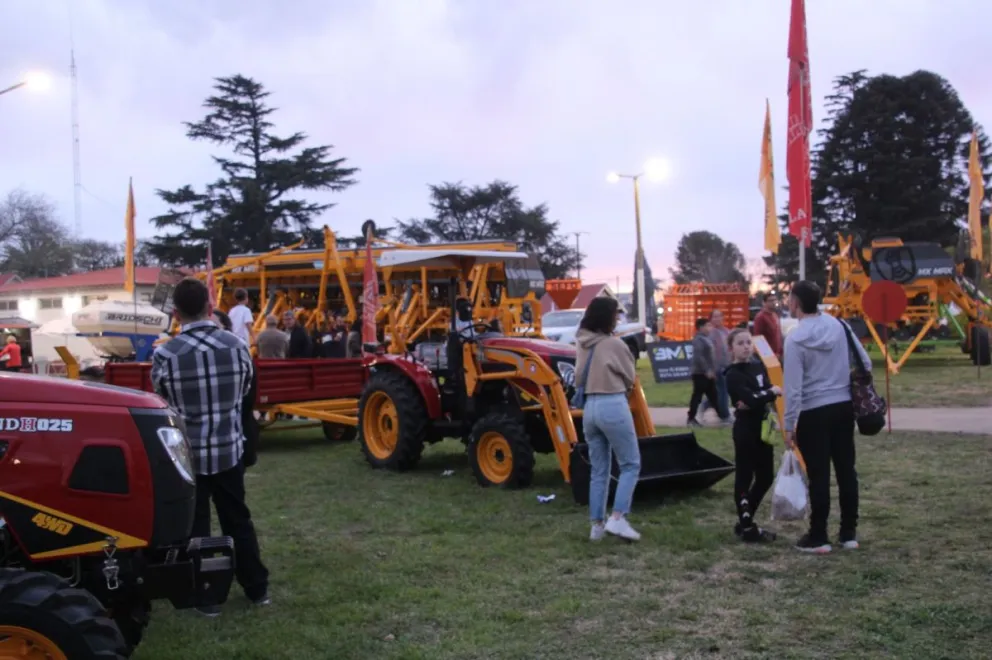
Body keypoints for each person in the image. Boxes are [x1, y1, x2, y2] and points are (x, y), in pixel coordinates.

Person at [150, 278, 269, 613]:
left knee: (195, 527)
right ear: (208, 306)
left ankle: (203, 597)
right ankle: (256, 588)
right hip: (229, 448)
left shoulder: (165, 355)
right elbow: (246, 391)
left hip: (188, 456)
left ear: (176, 313)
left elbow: (164, 403)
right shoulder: (236, 346)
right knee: (238, 520)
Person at [783, 280, 872, 554]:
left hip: (812, 411)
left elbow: (793, 388)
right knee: (847, 471)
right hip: (843, 407)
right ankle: (848, 533)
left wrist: (789, 425)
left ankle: (818, 535)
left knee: (819, 474)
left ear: (796, 303)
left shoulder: (795, 339)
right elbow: (865, 362)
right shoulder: (839, 326)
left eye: (789, 298)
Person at [574, 296, 642, 542]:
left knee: (599, 470)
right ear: (607, 318)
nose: (618, 319)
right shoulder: (614, 345)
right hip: (612, 402)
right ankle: (618, 517)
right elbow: (629, 377)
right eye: (615, 315)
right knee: (630, 464)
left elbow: (578, 378)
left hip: (589, 408)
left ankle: (597, 526)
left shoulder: (582, 342)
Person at [725, 328, 781, 543]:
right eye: (740, 343)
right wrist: (766, 394)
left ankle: (745, 521)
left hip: (763, 427)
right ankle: (748, 527)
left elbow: (765, 393)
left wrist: (763, 395)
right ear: (732, 348)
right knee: (744, 477)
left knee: (766, 476)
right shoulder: (732, 374)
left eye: (748, 342)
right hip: (745, 429)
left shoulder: (758, 366)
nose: (746, 346)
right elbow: (752, 397)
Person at [212, 309, 259, 470]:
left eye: (213, 324)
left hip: (235, 437)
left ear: (225, 326)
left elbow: (248, 398)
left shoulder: (238, 352)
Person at [699, 309, 731, 422]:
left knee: (719, 392)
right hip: (715, 367)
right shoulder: (709, 334)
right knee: (723, 391)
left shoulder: (727, 331)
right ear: (710, 319)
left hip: (726, 366)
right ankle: (725, 416)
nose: (717, 319)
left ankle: (703, 406)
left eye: (719, 316)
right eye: (715, 317)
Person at [687, 318, 720, 427]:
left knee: (713, 395)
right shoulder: (698, 340)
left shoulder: (706, 339)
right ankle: (691, 418)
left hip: (708, 373)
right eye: (707, 326)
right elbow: (699, 357)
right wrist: (707, 370)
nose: (709, 328)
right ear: (701, 327)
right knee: (698, 396)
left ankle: (722, 415)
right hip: (700, 373)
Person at [752, 292, 783, 360]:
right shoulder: (760, 317)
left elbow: (778, 335)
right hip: (768, 358)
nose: (774, 302)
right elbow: (758, 339)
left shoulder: (775, 315)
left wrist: (780, 352)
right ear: (764, 303)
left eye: (775, 300)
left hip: (778, 356)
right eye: (771, 300)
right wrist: (768, 357)